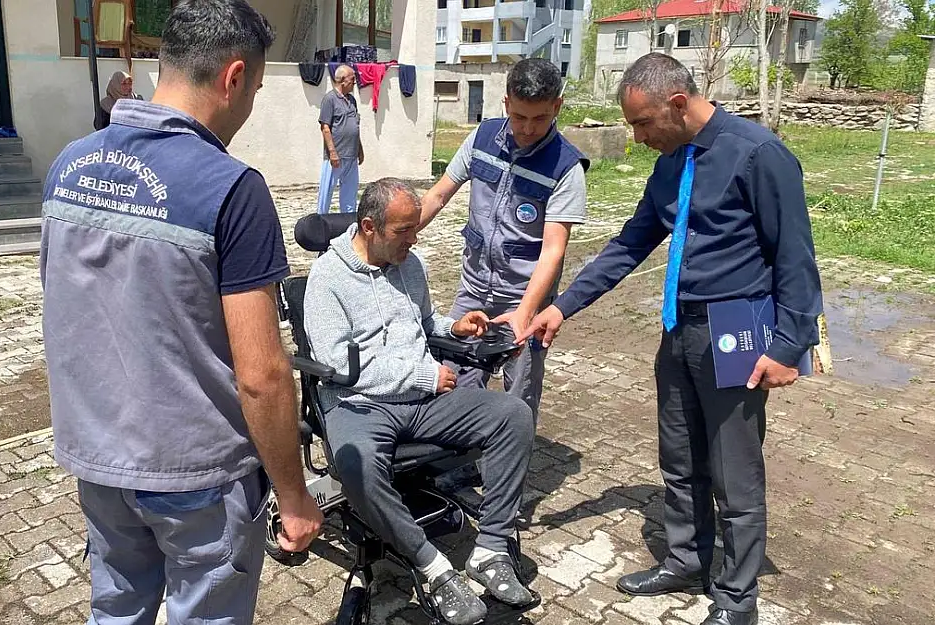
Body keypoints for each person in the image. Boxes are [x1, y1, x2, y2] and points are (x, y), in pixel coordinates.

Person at [39, 2, 323, 624]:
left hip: (100, 460)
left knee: (116, 613)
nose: (247, 109)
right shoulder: (230, 187)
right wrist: (295, 497)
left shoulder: (70, 166)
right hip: (196, 472)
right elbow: (263, 375)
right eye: (253, 89)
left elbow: (68, 308)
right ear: (234, 76)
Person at [518, 53, 823, 625]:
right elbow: (631, 243)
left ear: (678, 104)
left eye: (642, 124)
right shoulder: (670, 163)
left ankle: (736, 599)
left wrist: (789, 346)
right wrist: (563, 306)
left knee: (734, 470)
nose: (636, 137)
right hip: (678, 328)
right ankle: (686, 558)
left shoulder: (758, 154)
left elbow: (795, 258)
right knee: (679, 455)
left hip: (737, 333)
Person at [304, 178, 536, 625]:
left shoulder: (411, 264)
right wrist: (427, 374)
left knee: (513, 415)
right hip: (359, 403)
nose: (414, 238)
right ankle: (433, 567)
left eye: (415, 228)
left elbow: (423, 323)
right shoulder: (327, 279)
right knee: (357, 464)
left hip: (420, 399)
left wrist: (455, 329)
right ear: (369, 227)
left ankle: (489, 550)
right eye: (404, 231)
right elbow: (339, 365)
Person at [419, 57, 589, 425]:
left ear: (556, 107)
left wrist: (527, 312)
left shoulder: (566, 168)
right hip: (473, 287)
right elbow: (437, 196)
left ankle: (510, 469)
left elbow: (553, 250)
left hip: (524, 294)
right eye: (520, 117)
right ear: (506, 103)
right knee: (459, 375)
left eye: (540, 118)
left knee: (519, 389)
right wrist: (396, 236)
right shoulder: (481, 138)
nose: (528, 129)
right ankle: (460, 455)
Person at [316, 64, 363, 214]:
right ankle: (320, 220)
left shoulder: (352, 100)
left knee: (350, 194)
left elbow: (355, 126)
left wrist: (360, 149)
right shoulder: (329, 99)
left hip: (351, 155)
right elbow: (325, 128)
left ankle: (348, 223)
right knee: (326, 193)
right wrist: (332, 152)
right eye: (352, 79)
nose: (355, 82)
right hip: (335, 156)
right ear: (342, 80)